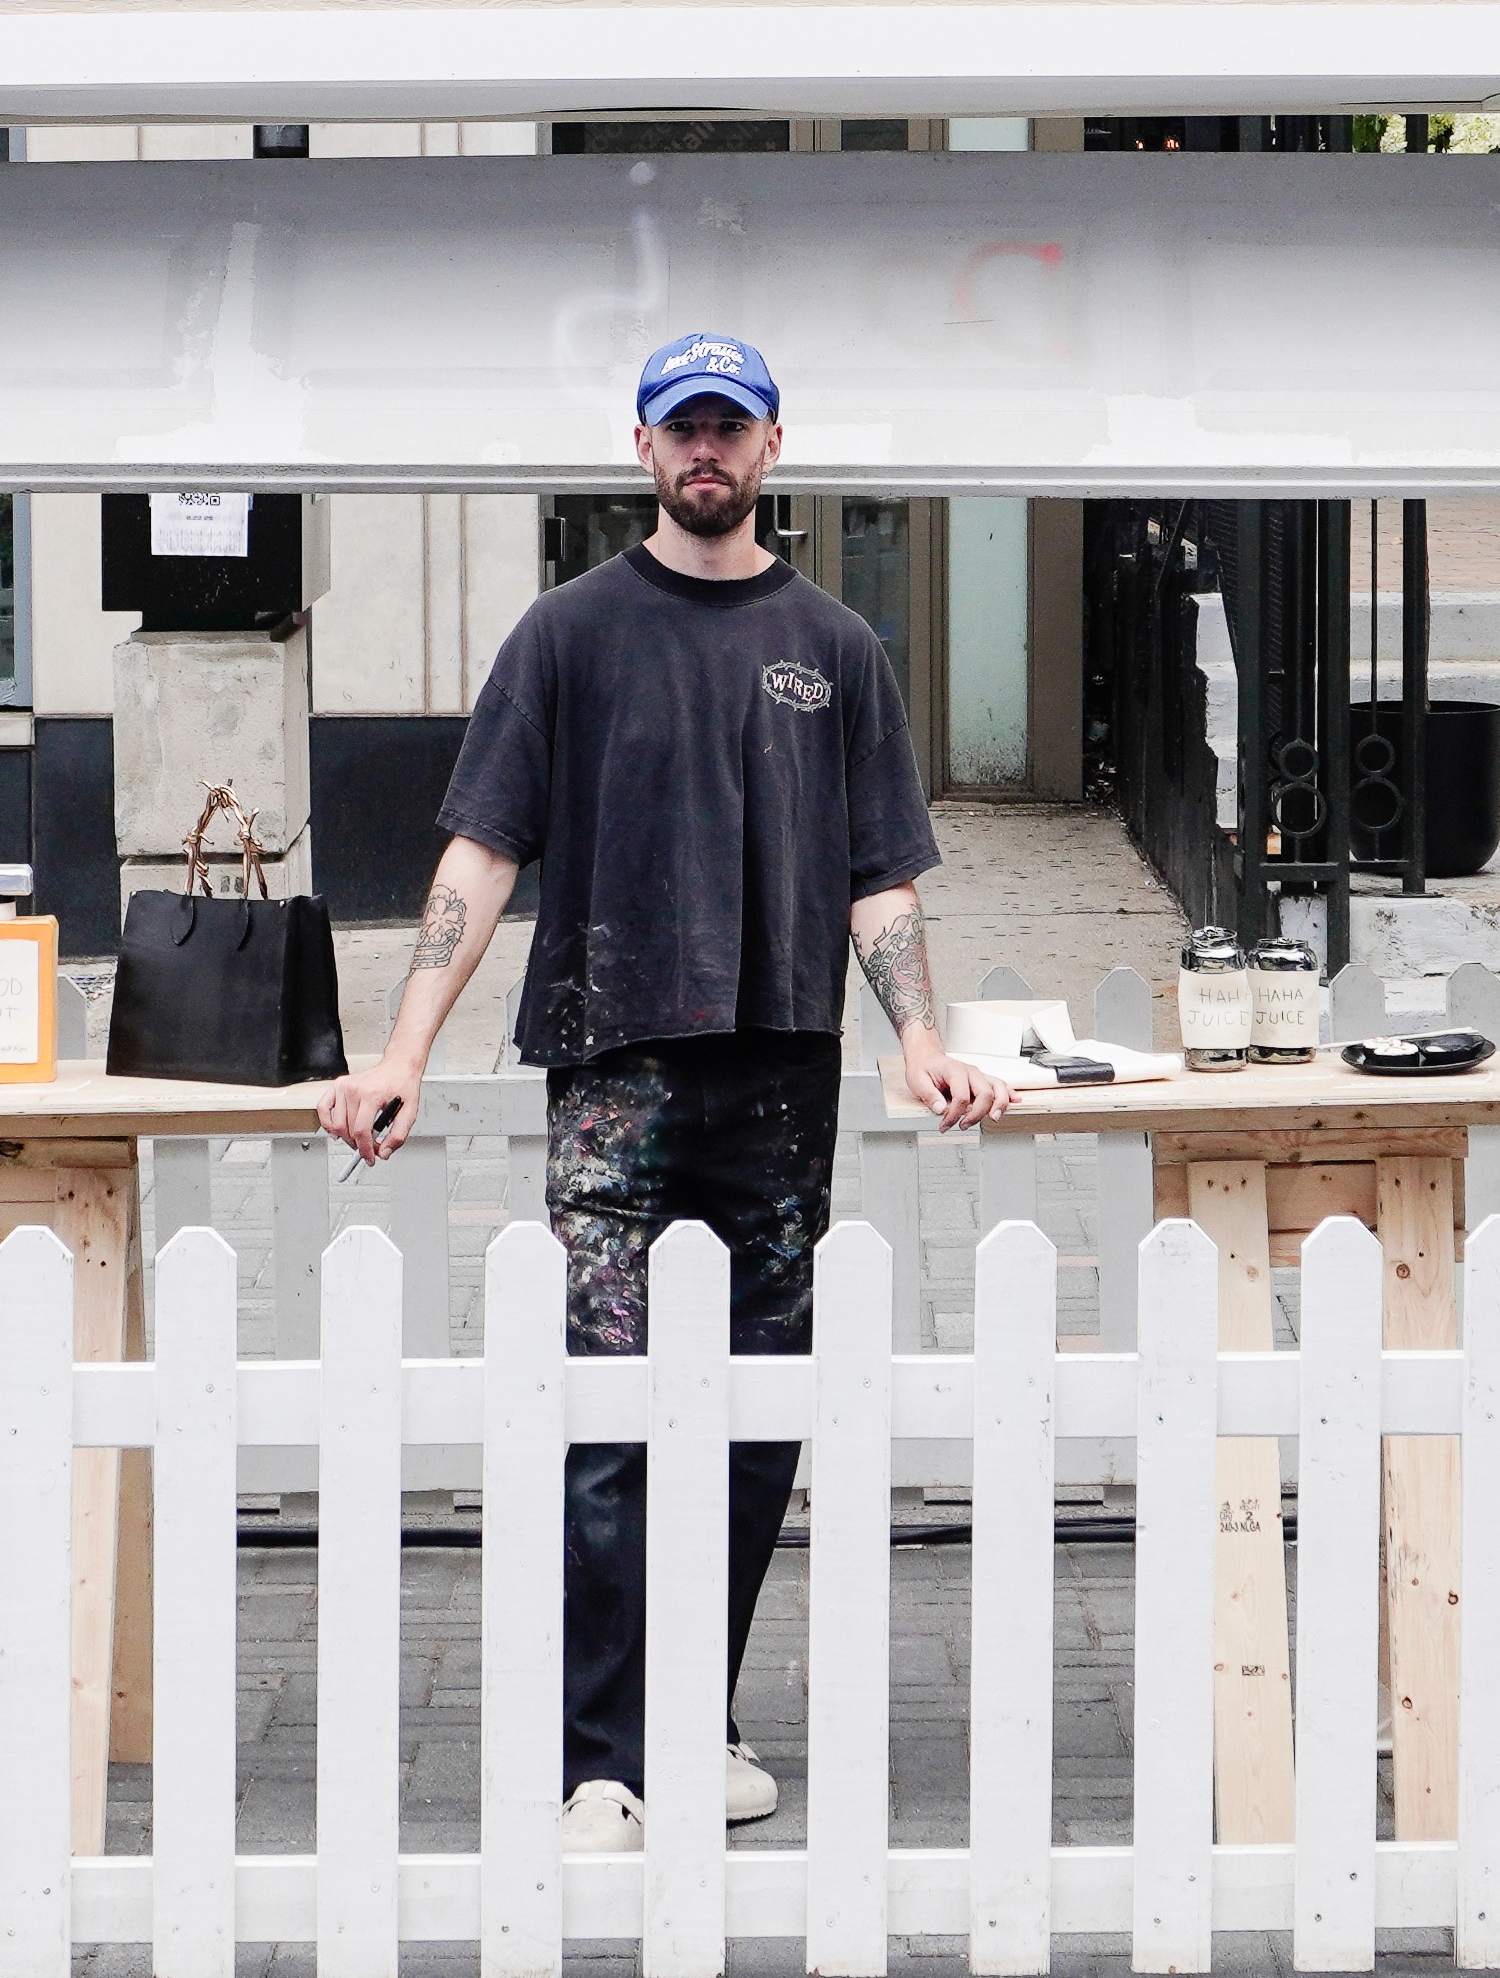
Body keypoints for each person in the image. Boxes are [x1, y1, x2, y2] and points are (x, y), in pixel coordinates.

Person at [322, 330, 1017, 1850]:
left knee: (760, 1419)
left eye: (731, 428)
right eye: (680, 428)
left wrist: (919, 1038)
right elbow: (480, 855)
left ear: (774, 449)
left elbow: (880, 877)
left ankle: (694, 1717)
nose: (706, 452)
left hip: (779, 1077)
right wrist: (403, 1047)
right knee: (610, 1416)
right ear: (641, 450)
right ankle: (603, 1763)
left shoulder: (837, 650)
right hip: (613, 1073)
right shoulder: (565, 637)